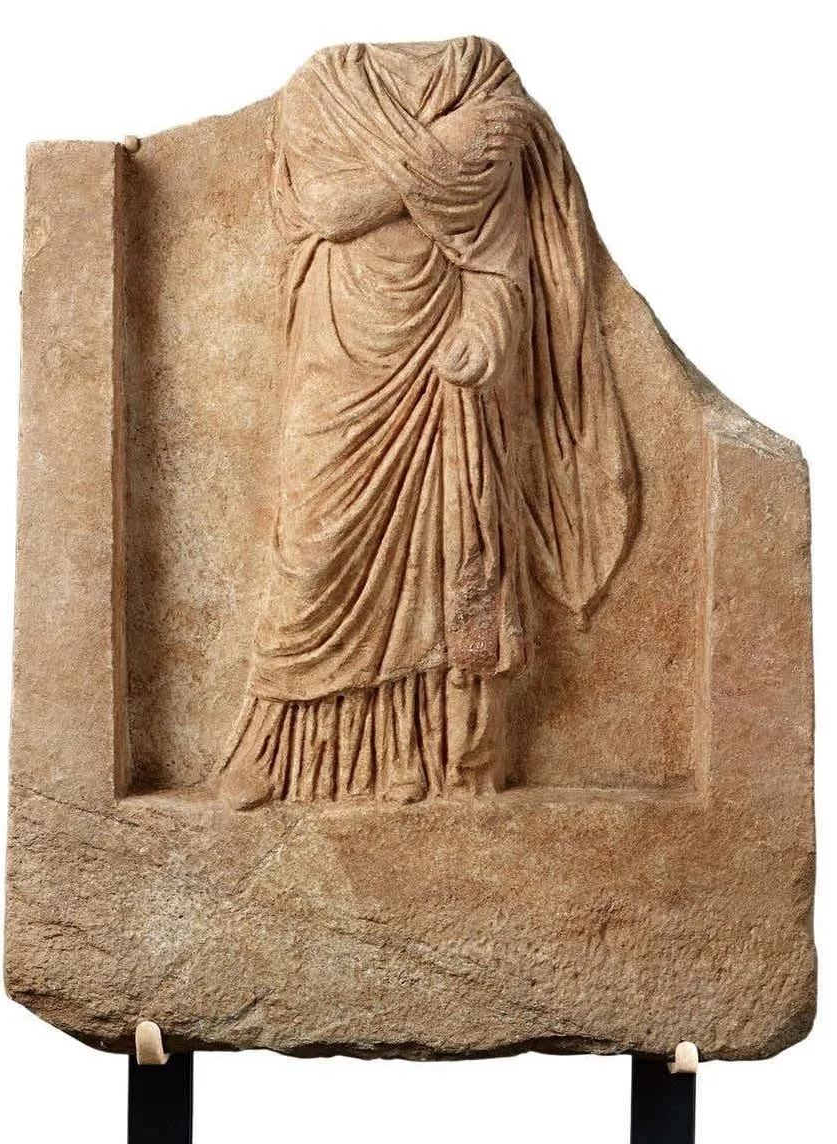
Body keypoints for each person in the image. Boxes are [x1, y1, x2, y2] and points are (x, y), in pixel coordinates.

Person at [218, 37, 636, 808]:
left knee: (446, 558)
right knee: (316, 547)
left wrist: (486, 331)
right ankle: (280, 749)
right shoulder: (322, 84)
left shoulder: (480, 74)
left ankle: (423, 754)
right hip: (341, 355)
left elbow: (500, 255)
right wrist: (448, 157)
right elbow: (330, 208)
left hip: (443, 353)